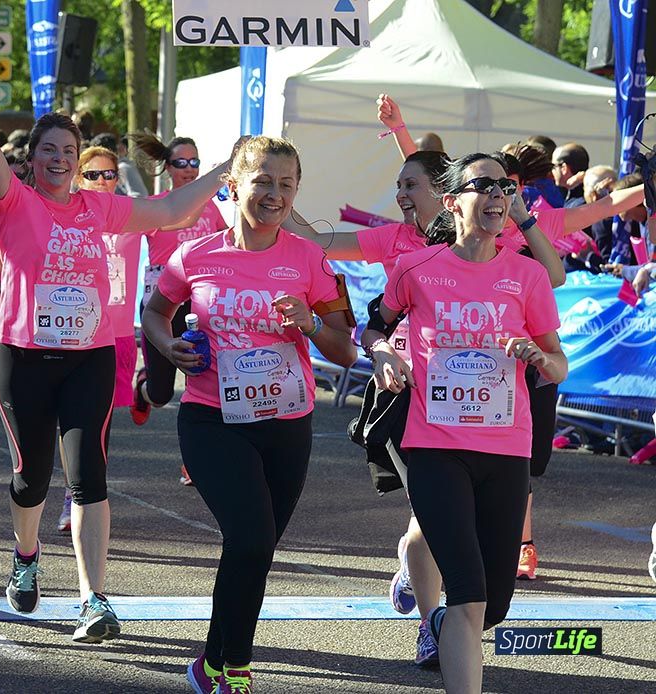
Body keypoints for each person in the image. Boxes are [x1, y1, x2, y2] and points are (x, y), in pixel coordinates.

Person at [0, 17, 239, 643]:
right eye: (50, 150)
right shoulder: (14, 200)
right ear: (32, 159)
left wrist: (226, 168)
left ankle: (93, 598)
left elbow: (172, 209)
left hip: (88, 358)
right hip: (24, 358)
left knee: (88, 474)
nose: (61, 158)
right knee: (31, 477)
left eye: (69, 150)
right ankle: (26, 555)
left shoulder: (100, 206)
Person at [142, 136, 357, 694]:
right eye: (263, 181)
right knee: (252, 537)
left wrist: (311, 323)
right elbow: (155, 312)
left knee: (254, 550)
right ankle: (235, 667)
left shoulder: (311, 260)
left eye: (286, 184)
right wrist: (168, 347)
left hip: (286, 425)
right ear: (233, 185)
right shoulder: (194, 256)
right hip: (213, 420)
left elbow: (344, 349)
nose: (274, 195)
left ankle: (211, 663)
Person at [364, 153, 567, 694]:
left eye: (506, 187)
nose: (498, 195)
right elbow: (373, 327)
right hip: (436, 448)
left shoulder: (526, 274)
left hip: (505, 452)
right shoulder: (417, 268)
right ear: (452, 201)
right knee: (468, 594)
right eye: (485, 185)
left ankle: (438, 621)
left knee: (492, 605)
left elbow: (558, 361)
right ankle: (447, 625)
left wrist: (540, 359)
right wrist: (383, 353)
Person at [128, 135, 230, 482]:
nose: (189, 169)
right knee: (161, 394)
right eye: (181, 163)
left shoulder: (212, 208)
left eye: (194, 162)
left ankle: (194, 461)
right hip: (162, 303)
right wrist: (207, 191)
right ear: (167, 168)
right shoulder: (155, 205)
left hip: (201, 302)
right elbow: (179, 222)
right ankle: (143, 388)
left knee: (202, 387)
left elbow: (228, 242)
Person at [56, 145, 142, 532]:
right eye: (93, 175)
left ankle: (88, 493)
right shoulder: (67, 215)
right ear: (78, 178)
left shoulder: (131, 215)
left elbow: (176, 215)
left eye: (109, 174)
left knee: (100, 426)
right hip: (74, 333)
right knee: (73, 423)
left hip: (118, 335)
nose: (103, 181)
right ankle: (74, 494)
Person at [552, 143, 589, 208]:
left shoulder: (579, 205)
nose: (551, 171)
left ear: (564, 168)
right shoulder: (588, 195)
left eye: (553, 166)